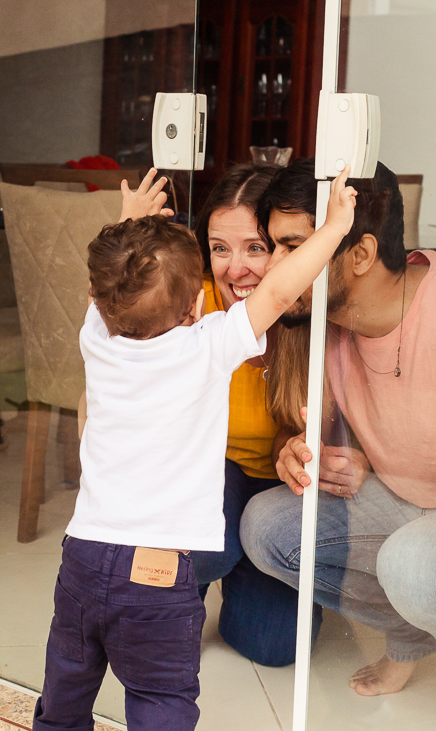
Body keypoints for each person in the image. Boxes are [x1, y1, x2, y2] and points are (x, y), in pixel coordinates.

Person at [32, 169, 357, 731]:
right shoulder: (207, 346)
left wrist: (128, 221)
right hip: (156, 574)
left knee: (66, 681)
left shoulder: (98, 339)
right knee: (161, 697)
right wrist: (333, 229)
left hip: (82, 557)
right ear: (195, 305)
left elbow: (102, 286)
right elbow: (280, 291)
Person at [240, 159, 436, 731]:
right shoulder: (324, 322)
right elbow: (317, 425)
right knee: (268, 527)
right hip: (407, 501)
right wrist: (300, 452)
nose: (274, 268)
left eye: (293, 247)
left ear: (359, 253)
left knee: (416, 566)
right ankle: (413, 631)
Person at [189, 163, 320, 666]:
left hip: (280, 490)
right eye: (220, 248)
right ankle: (217, 561)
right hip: (214, 472)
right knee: (208, 549)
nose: (235, 269)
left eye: (256, 249)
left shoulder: (312, 312)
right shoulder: (191, 305)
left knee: (272, 646)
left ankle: (251, 564)